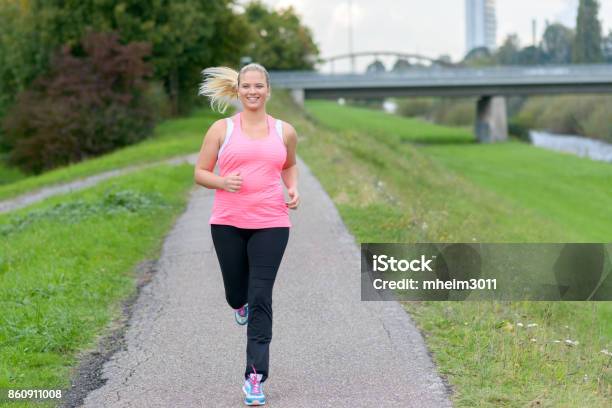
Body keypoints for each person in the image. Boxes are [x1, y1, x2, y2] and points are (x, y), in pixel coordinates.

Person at [194, 63, 300, 406]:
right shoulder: (221, 129)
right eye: (247, 86)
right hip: (227, 222)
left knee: (261, 297)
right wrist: (223, 182)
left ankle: (255, 377)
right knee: (236, 293)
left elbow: (289, 164)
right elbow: (200, 172)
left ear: (268, 90)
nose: (253, 91)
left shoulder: (285, 130)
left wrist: (293, 188)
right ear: (238, 91)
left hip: (272, 222)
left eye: (259, 86)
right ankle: (236, 303)